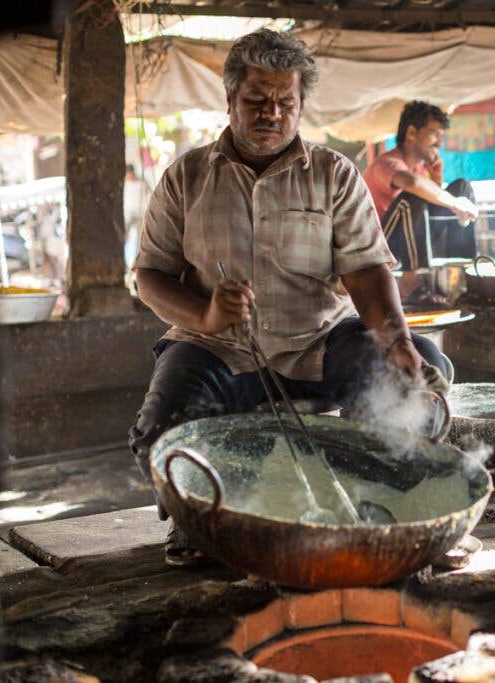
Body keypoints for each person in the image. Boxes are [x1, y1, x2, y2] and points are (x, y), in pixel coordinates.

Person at [128, 29, 450, 566]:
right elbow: (151, 278)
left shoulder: (333, 175)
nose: (271, 113)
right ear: (230, 100)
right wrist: (206, 315)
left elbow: (368, 272)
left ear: (300, 107)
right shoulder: (185, 177)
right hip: (218, 347)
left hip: (320, 340)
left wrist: (395, 341)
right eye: (256, 100)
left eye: (286, 103)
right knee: (159, 430)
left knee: (417, 376)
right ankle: (204, 522)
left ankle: (380, 506)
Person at [363, 101, 479, 305]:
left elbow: (426, 209)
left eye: (442, 137)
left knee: (462, 188)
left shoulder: (419, 172)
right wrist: (454, 202)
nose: (439, 144)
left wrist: (436, 179)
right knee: (414, 196)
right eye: (435, 134)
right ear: (411, 133)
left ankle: (461, 274)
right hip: (380, 250)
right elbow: (413, 184)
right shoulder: (386, 164)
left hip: (404, 244)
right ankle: (410, 283)